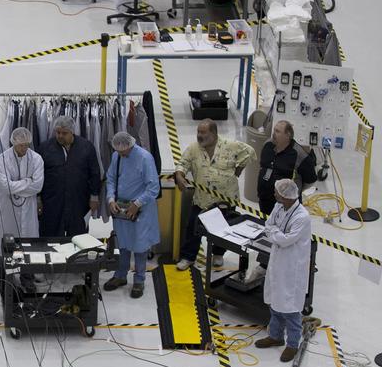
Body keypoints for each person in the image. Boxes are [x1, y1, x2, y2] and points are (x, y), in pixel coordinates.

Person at [173, 119, 255, 270]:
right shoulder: (193, 149)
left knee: (222, 230)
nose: (199, 135)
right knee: (193, 227)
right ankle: (188, 257)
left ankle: (218, 254)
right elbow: (182, 164)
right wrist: (179, 175)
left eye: (203, 132)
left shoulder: (231, 146)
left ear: (214, 133)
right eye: (198, 132)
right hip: (202, 200)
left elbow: (249, 151)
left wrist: (239, 168)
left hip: (225, 199)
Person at [255, 178, 312, 363]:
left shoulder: (302, 216)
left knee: (290, 308)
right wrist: (276, 235)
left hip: (292, 266)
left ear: (286, 195)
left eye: (277, 192)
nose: (274, 194)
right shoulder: (279, 206)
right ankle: (276, 336)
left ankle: (292, 344)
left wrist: (274, 235)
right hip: (278, 260)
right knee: (275, 301)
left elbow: (287, 239)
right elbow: (269, 224)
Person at [103, 132, 160, 299]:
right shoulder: (116, 156)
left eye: (124, 152)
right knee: (123, 243)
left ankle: (139, 280)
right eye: (119, 152)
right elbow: (111, 178)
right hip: (121, 209)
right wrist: (111, 198)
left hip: (141, 209)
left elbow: (153, 188)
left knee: (140, 246)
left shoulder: (144, 158)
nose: (122, 155)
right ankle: (120, 276)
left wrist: (137, 203)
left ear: (130, 146)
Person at [38, 115, 102, 237]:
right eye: (57, 132)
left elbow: (94, 172)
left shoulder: (86, 147)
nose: (60, 136)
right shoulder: (45, 148)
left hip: (78, 199)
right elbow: (38, 175)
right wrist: (38, 198)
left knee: (78, 234)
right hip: (52, 200)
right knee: (50, 232)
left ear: (72, 132)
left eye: (64, 133)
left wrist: (94, 196)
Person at [257, 120, 317, 216]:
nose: (273, 134)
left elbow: (310, 180)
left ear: (288, 135)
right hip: (264, 201)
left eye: (277, 131)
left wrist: (295, 189)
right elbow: (262, 166)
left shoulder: (299, 155)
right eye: (274, 130)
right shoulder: (267, 145)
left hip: (286, 208)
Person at [0, 127, 44, 240]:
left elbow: (38, 186)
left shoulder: (36, 159)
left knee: (29, 242)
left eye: (26, 145)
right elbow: (6, 187)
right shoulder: (2, 159)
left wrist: (14, 185)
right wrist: (28, 181)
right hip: (8, 208)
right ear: (13, 143)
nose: (24, 148)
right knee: (7, 242)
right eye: (21, 145)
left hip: (28, 209)